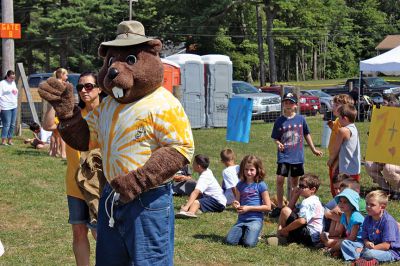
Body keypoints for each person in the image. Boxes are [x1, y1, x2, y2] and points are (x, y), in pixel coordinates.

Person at [42, 72, 102, 266]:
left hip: (98, 185)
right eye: (80, 87)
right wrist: (56, 102)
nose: (84, 90)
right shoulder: (72, 114)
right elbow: (48, 124)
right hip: (74, 184)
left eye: (89, 86)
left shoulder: (108, 113)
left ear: (100, 88)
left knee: (99, 233)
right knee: (78, 232)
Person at [270, 92, 323, 218]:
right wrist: (278, 144)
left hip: (297, 156)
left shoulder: (301, 119)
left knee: (295, 182)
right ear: (283, 104)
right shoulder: (279, 121)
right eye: (286, 102)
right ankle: (279, 207)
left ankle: (291, 206)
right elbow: (275, 138)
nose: (288, 105)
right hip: (284, 156)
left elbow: (306, 134)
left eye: (291, 102)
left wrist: (314, 149)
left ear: (296, 105)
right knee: (280, 180)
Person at [341, 190, 400, 264]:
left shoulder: (388, 221)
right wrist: (366, 243)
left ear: (382, 207)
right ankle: (362, 260)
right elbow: (364, 237)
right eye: (367, 204)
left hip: (389, 252)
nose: (368, 207)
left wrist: (366, 249)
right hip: (369, 247)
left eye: (372, 205)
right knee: (346, 243)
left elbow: (386, 245)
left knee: (369, 254)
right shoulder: (368, 218)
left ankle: (358, 258)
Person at [225, 155, 271, 247]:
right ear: (242, 169)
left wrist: (249, 208)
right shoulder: (240, 185)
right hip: (242, 220)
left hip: (255, 220)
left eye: (252, 170)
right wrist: (236, 204)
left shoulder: (261, 185)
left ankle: (255, 234)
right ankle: (246, 232)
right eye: (246, 169)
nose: (248, 172)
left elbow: (268, 207)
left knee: (249, 244)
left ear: (258, 170)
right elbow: (237, 202)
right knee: (229, 241)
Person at [267, 173, 324, 247]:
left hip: (309, 236)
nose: (299, 188)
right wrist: (295, 195)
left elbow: (302, 221)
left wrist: (285, 230)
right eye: (299, 185)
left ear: (312, 189)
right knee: (286, 210)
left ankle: (281, 236)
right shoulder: (314, 199)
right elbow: (290, 209)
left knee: (285, 210)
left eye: (302, 186)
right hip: (313, 237)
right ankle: (282, 236)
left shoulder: (308, 202)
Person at [365, 94, 400, 194]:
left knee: (389, 168)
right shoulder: (385, 121)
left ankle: (396, 190)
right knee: (369, 164)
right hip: (388, 156)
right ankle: (385, 189)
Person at [177, 154, 226, 218]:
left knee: (195, 202)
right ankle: (197, 209)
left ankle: (190, 213)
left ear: (198, 166)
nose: (192, 165)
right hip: (214, 198)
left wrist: (186, 207)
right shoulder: (207, 171)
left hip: (218, 202)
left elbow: (196, 192)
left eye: (194, 163)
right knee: (192, 201)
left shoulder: (204, 177)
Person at [320, 188, 364, 258]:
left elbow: (352, 238)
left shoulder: (355, 217)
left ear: (352, 205)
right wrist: (327, 235)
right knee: (329, 240)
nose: (341, 204)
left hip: (359, 243)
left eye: (345, 202)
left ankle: (330, 250)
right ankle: (337, 252)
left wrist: (336, 243)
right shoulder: (344, 215)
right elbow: (338, 232)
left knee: (340, 243)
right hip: (349, 240)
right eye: (340, 201)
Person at [327, 94, 354, 197]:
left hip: (339, 160)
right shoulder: (338, 121)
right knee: (333, 185)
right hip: (334, 157)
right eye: (334, 103)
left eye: (336, 104)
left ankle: (340, 206)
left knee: (338, 185)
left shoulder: (344, 126)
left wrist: (335, 162)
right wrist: (332, 126)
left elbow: (343, 146)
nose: (333, 106)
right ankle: (336, 205)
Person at [327, 104, 361, 181]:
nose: (338, 120)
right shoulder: (354, 128)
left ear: (345, 118)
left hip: (345, 170)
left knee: (340, 189)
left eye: (339, 117)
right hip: (355, 168)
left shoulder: (342, 130)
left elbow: (336, 149)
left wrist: (331, 160)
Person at [47, 68, 68, 158]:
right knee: (62, 133)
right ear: (61, 75)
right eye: (66, 75)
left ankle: (54, 151)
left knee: (54, 133)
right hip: (60, 110)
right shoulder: (62, 85)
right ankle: (63, 153)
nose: (67, 77)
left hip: (52, 110)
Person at [0, 70, 18, 146]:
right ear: (7, 76)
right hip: (5, 106)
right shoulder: (2, 83)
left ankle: (10, 140)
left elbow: (14, 92)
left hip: (14, 106)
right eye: (11, 78)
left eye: (14, 78)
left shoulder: (13, 83)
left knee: (12, 124)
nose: (12, 79)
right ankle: (3, 141)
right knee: (6, 124)